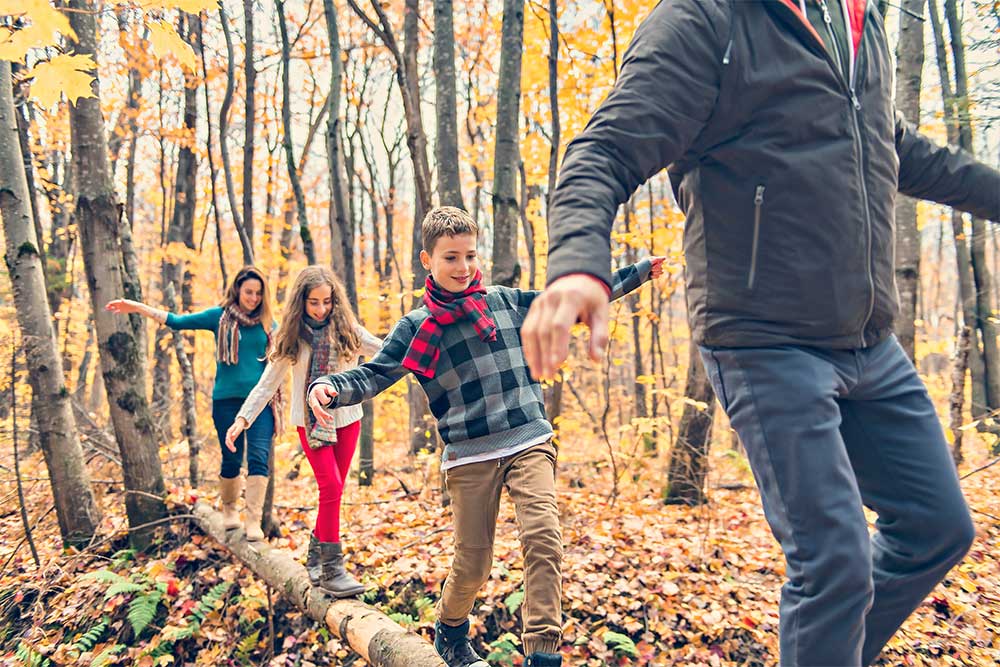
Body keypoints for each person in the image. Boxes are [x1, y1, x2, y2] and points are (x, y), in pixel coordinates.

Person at [521, 1, 1000, 665]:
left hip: (867, 337)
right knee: (835, 562)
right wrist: (579, 267)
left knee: (936, 528)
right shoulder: (705, 22)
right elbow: (604, 148)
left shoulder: (855, 21)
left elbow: (897, 149)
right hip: (764, 336)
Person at [307, 206, 664, 667]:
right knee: (473, 563)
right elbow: (374, 374)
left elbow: (570, 303)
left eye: (470, 255)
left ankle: (543, 654)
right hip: (469, 457)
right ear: (427, 260)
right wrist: (331, 387)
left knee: (544, 537)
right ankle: (451, 629)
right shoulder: (417, 328)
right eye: (451, 257)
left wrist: (633, 275)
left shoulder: (507, 302)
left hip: (528, 438)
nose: (463, 267)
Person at [225, 266, 382, 597]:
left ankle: (315, 551)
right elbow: (268, 382)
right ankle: (331, 569)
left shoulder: (347, 329)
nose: (321, 309)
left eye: (327, 302)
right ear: (301, 302)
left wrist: (425, 356)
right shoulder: (292, 334)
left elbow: (384, 352)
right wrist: (243, 419)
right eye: (314, 303)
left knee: (334, 492)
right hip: (310, 422)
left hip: (348, 419)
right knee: (331, 486)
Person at [106, 266, 280, 541]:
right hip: (226, 401)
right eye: (249, 292)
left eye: (259, 293)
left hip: (260, 404)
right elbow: (176, 321)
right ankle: (230, 509)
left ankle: (254, 521)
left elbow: (289, 350)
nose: (254, 298)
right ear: (237, 290)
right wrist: (138, 307)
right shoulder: (218, 317)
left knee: (259, 457)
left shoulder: (269, 324)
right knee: (231, 457)